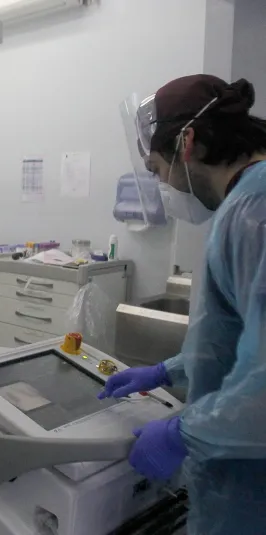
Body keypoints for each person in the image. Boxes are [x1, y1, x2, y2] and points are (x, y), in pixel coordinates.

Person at [101, 74, 266, 534]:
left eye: (157, 170)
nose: (164, 185)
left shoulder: (255, 214)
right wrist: (168, 370)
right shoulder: (245, 205)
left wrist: (183, 432)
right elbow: (233, 340)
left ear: (187, 143)